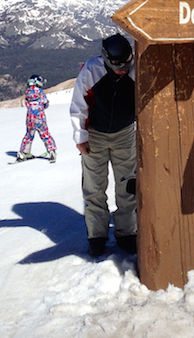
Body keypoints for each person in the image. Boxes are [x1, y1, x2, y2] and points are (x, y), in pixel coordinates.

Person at [70, 34, 137, 257]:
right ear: (106, 60)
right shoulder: (91, 70)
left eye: (127, 64)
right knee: (94, 186)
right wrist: (80, 136)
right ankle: (97, 235)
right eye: (118, 66)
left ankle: (126, 232)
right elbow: (79, 103)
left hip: (125, 133)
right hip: (95, 134)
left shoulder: (136, 69)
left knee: (128, 184)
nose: (123, 70)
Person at [17, 74, 57, 162]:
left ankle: (24, 152)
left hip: (30, 118)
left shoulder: (27, 92)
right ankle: (51, 151)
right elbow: (45, 103)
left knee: (29, 135)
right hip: (40, 117)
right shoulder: (40, 92)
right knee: (45, 133)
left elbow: (26, 103)